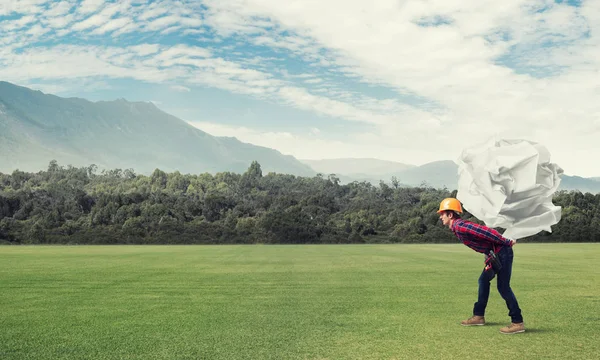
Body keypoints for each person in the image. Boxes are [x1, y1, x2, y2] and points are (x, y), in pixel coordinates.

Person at [437, 197, 525, 334]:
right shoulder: (457, 227)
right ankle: (478, 316)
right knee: (483, 280)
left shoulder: (460, 226)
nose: (441, 217)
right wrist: (488, 255)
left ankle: (517, 322)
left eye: (442, 214)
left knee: (503, 287)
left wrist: (506, 242)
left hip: (502, 252)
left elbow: (485, 232)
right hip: (495, 254)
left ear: (450, 214)